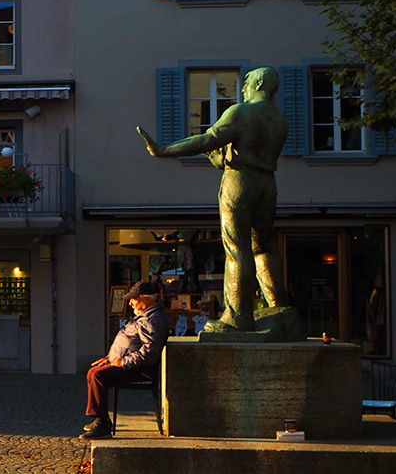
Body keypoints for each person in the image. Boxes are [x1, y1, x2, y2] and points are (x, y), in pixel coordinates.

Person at [137, 66, 288, 332]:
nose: (243, 88)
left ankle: (238, 316)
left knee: (236, 249)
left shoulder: (241, 112)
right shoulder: (279, 121)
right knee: (263, 247)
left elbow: (207, 139)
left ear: (260, 82)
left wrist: (163, 150)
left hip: (239, 182)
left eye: (248, 82)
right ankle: (277, 307)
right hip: (268, 184)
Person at [81, 280, 169, 440]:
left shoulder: (151, 319)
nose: (130, 303)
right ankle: (101, 419)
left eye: (134, 299)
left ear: (146, 299)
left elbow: (150, 351)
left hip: (138, 369)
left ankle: (102, 423)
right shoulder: (146, 316)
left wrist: (123, 362)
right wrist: (110, 358)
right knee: (93, 372)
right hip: (131, 364)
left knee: (97, 376)